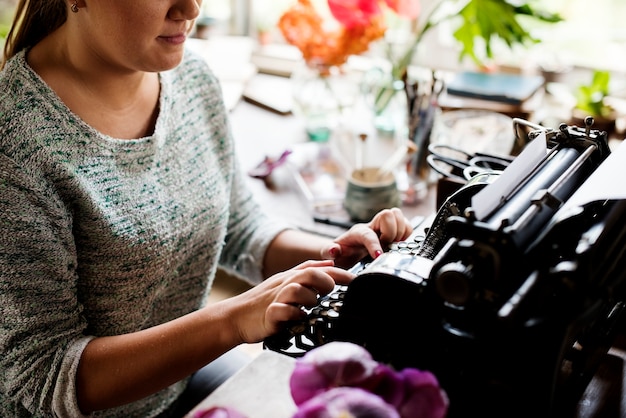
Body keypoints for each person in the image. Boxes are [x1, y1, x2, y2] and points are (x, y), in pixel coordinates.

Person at [0, 0, 414, 417]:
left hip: (182, 379)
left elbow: (241, 226)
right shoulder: (15, 143)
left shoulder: (191, 77)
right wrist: (234, 320)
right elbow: (44, 376)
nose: (191, 7)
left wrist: (346, 256)